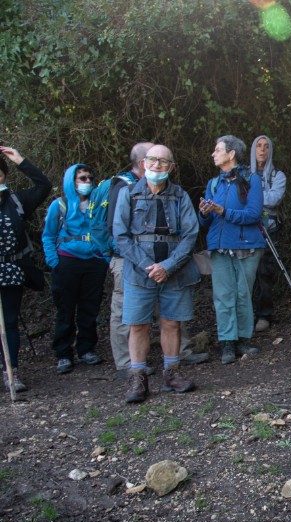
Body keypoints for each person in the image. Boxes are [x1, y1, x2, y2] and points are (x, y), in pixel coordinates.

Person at [107, 142, 208, 378]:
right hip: (138, 273)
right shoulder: (127, 194)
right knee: (138, 325)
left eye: (163, 161)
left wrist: (168, 266)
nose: (157, 165)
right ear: (143, 163)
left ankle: (172, 375)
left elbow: (190, 235)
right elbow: (120, 235)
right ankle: (137, 379)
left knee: (171, 323)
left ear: (171, 167)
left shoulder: (180, 196)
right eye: (153, 160)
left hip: (175, 272)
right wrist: (148, 266)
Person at [199, 135, 265, 365]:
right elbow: (206, 222)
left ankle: (243, 340)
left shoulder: (251, 179)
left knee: (243, 294)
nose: (213, 154)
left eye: (218, 150)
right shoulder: (213, 183)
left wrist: (223, 211)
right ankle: (227, 342)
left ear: (231, 154)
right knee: (223, 296)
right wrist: (204, 213)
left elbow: (254, 214)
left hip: (247, 247)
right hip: (219, 247)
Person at [42, 163, 111, 375]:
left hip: (95, 261)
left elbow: (107, 231)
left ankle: (86, 349)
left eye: (90, 178)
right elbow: (48, 235)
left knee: (90, 308)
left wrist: (106, 257)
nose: (87, 182)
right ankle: (63, 354)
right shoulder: (60, 205)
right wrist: (54, 261)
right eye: (82, 178)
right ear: (71, 182)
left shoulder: (98, 204)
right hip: (67, 262)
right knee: (65, 309)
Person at [0, 146, 52, 392]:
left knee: (9, 321)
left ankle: (11, 371)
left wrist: (20, 160)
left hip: (10, 270)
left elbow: (44, 186)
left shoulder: (17, 202)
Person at [250, 135, 287, 333]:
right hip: (247, 229)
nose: (262, 150)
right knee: (247, 273)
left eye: (266, 147)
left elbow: (274, 199)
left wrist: (252, 198)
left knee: (265, 272)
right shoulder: (245, 174)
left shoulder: (278, 176)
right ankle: (247, 314)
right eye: (258, 146)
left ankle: (264, 314)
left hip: (269, 229)